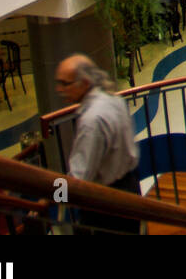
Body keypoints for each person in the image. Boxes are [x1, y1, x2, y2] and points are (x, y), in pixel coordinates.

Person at [55, 54, 140, 233]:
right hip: (130, 190)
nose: (59, 89)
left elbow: (79, 176)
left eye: (65, 84)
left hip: (106, 205)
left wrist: (56, 195)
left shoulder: (91, 121)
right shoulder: (114, 100)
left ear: (84, 83)